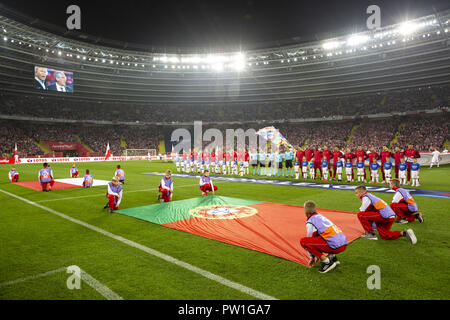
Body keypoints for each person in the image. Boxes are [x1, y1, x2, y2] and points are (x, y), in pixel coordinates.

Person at [300, 200, 347, 273]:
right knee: (322, 236)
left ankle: (327, 262)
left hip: (336, 247)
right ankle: (333, 258)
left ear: (305, 211)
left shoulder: (310, 222)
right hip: (344, 243)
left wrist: (313, 257)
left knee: (304, 241)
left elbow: (309, 242)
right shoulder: (320, 216)